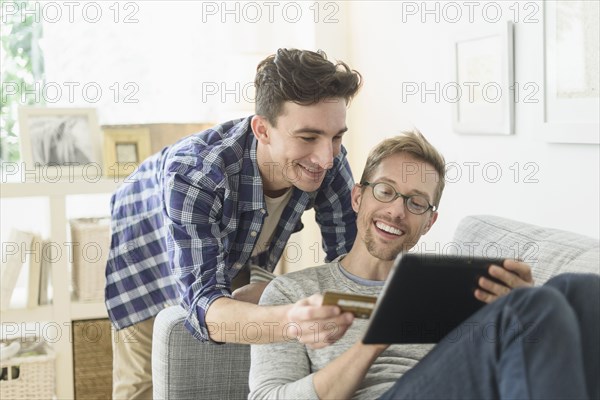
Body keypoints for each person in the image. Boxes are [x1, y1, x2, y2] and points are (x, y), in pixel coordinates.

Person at [249, 130, 599, 400]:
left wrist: (526, 311)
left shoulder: (449, 287)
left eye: (417, 203)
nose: (397, 211)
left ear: (429, 223)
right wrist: (375, 339)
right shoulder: (292, 293)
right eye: (385, 191)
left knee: (579, 290)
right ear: (358, 197)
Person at [105, 48, 362, 399]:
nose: (326, 157)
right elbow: (204, 311)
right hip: (143, 247)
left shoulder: (328, 159)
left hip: (234, 243)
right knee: (147, 379)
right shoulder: (195, 173)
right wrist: (291, 319)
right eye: (308, 138)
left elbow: (349, 263)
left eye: (336, 136)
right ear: (263, 130)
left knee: (239, 351)